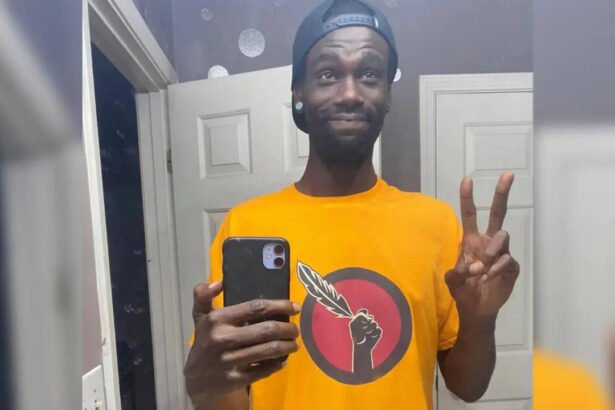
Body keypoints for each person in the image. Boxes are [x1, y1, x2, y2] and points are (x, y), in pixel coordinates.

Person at [184, 0, 520, 409]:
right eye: (328, 74)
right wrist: (204, 383)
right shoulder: (248, 224)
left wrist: (481, 320)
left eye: (369, 74)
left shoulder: (433, 221)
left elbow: (468, 387)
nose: (349, 93)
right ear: (299, 92)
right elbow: (232, 400)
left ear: (387, 94)